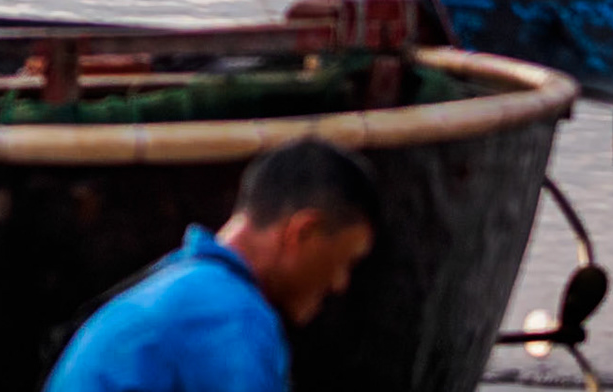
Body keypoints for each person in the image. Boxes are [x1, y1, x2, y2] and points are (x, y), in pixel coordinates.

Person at [43, 138, 379, 392]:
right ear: (303, 232)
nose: (340, 283)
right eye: (344, 262)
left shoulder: (189, 288)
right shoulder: (231, 317)